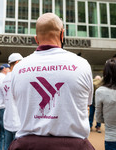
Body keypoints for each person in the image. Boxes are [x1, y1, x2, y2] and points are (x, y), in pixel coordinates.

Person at [9, 13, 94, 150]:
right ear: (62, 34)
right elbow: (86, 105)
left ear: (36, 39)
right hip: (73, 146)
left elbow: (18, 103)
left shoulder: (18, 68)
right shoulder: (82, 64)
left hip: (27, 146)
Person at [2, 53, 23, 150]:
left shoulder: (5, 78)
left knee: (7, 146)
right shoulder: (18, 76)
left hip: (7, 120)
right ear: (18, 62)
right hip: (18, 121)